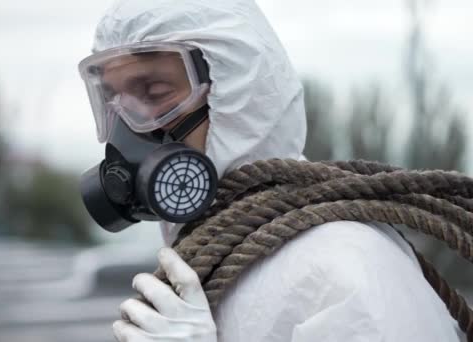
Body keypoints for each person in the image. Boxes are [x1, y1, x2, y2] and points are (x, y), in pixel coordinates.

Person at [78, 0, 465, 341]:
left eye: (156, 93)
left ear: (235, 90)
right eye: (115, 101)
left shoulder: (345, 272)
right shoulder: (197, 267)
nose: (131, 126)